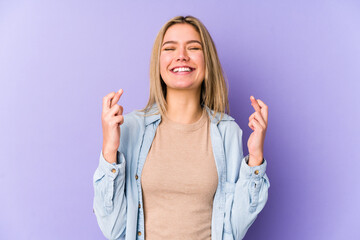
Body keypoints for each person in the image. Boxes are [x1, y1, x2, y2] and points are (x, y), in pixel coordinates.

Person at [93, 15, 270, 240]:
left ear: (208, 63)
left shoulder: (227, 132)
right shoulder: (131, 128)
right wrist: (109, 151)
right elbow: (113, 229)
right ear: (158, 64)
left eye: (193, 47)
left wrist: (255, 158)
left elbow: (234, 229)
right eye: (170, 48)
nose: (181, 56)